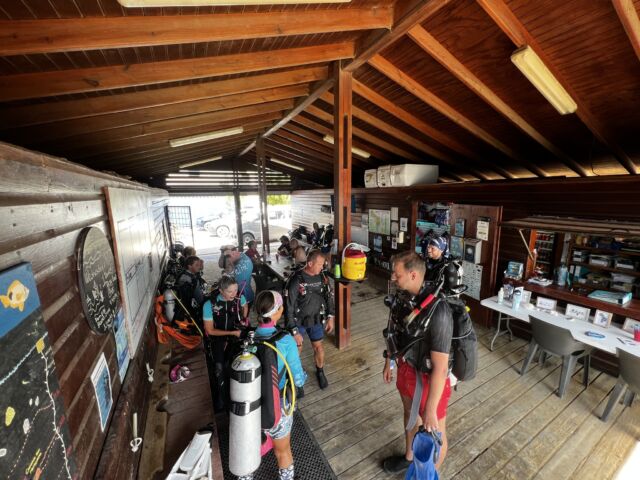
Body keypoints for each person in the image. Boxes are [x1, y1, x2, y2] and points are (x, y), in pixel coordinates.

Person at [382, 250, 453, 474]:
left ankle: (429, 475)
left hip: (430, 379)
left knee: (435, 430)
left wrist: (431, 408)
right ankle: (409, 456)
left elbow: (441, 369)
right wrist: (389, 362)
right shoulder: (402, 296)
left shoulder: (439, 311)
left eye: (397, 274)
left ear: (413, 275)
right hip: (406, 367)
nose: (393, 277)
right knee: (409, 414)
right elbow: (393, 331)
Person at [248, 290, 306, 480]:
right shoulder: (286, 340)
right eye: (281, 307)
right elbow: (298, 378)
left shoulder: (248, 341)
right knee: (283, 451)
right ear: (276, 312)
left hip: (250, 407)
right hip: (277, 405)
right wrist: (298, 358)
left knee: (248, 450)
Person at [284, 249, 334, 389]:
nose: (322, 267)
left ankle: (320, 371)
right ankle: (294, 374)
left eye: (323, 264)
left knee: (319, 347)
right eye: (319, 264)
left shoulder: (323, 277)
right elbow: (288, 307)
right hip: (299, 321)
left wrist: (330, 316)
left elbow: (329, 297)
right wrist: (294, 330)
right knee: (297, 349)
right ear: (310, 263)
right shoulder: (296, 280)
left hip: (316, 319)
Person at [202, 275, 248, 410]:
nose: (235, 294)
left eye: (236, 290)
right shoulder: (209, 304)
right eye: (230, 291)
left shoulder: (239, 297)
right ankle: (221, 399)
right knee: (220, 369)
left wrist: (244, 319)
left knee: (240, 366)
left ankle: (241, 396)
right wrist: (232, 333)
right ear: (221, 291)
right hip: (218, 339)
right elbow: (210, 330)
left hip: (237, 335)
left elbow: (245, 306)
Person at [174, 255, 206, 329]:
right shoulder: (187, 280)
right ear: (189, 266)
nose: (199, 267)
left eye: (199, 265)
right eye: (196, 265)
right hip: (189, 308)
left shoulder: (188, 274)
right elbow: (197, 299)